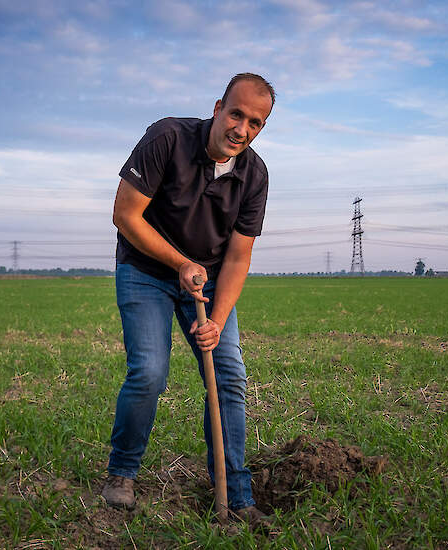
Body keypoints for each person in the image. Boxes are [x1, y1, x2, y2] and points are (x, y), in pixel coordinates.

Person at [102, 73, 274, 525]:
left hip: (211, 280)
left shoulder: (254, 175)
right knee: (150, 372)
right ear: (218, 107)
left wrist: (215, 320)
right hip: (146, 272)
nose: (242, 129)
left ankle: (237, 496)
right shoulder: (168, 137)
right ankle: (122, 473)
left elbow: (238, 257)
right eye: (236, 114)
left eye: (255, 123)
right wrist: (180, 263)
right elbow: (125, 215)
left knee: (228, 376)